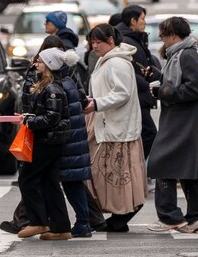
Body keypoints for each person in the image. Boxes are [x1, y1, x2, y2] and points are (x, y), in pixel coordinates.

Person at [147, 17, 198, 234]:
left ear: (173, 35)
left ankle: (170, 217)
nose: (162, 40)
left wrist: (162, 91)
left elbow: (193, 89)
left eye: (164, 35)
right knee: (188, 169)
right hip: (182, 119)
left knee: (161, 163)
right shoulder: (180, 54)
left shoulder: (186, 55)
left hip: (184, 121)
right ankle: (197, 218)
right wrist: (158, 78)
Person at [83, 24, 147, 233]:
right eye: (92, 42)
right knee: (108, 173)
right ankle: (119, 215)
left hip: (116, 127)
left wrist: (98, 103)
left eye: (97, 42)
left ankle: (122, 214)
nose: (94, 46)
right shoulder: (107, 61)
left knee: (114, 174)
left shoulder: (116, 63)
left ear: (110, 40)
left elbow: (122, 93)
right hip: (107, 124)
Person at [16, 47, 72, 241]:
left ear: (48, 65)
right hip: (50, 140)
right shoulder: (46, 86)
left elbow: (52, 117)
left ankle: (39, 221)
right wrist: (29, 117)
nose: (36, 64)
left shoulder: (53, 89)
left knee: (26, 179)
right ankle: (61, 227)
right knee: (50, 183)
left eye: (39, 61)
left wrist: (30, 121)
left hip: (47, 141)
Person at [53, 48, 93, 238]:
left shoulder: (59, 85)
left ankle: (82, 222)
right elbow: (83, 101)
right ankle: (83, 221)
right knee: (72, 183)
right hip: (74, 140)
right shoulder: (68, 79)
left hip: (68, 141)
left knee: (71, 183)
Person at [115, 5, 158, 158]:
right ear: (133, 21)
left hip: (140, 97)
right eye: (142, 19)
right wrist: (147, 84)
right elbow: (130, 72)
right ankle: (135, 166)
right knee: (149, 133)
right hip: (137, 97)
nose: (144, 22)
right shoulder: (127, 41)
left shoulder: (132, 38)